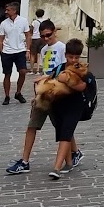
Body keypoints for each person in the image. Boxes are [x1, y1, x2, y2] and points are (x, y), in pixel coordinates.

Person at [5, 20, 73, 175]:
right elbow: (45, 70)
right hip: (43, 93)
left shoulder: (63, 48)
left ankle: (72, 156)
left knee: (63, 128)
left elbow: (63, 71)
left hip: (57, 92)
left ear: (54, 31)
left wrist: (49, 79)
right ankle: (24, 161)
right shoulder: (43, 50)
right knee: (32, 125)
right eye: (43, 36)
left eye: (48, 35)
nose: (46, 39)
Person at [36, 39, 89, 179]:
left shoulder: (82, 69)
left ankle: (57, 167)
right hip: (59, 105)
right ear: (65, 55)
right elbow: (51, 81)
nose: (73, 60)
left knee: (65, 133)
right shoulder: (59, 68)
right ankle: (69, 163)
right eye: (71, 57)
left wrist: (67, 81)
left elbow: (82, 86)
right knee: (62, 131)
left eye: (76, 57)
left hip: (76, 105)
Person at [0, 2, 31, 105]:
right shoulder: (4, 23)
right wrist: (1, 51)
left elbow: (28, 35)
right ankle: (7, 95)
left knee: (23, 71)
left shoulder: (23, 21)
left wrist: (28, 50)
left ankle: (18, 92)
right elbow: (0, 38)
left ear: (14, 11)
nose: (6, 12)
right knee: (7, 74)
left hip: (20, 50)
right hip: (7, 51)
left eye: (8, 10)